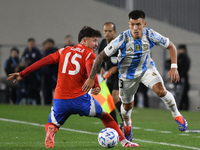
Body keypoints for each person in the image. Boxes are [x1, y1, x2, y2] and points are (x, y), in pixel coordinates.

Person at [7, 26, 139, 148]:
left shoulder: (63, 50)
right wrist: (95, 84)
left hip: (60, 100)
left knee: (51, 124)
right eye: (93, 41)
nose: (96, 44)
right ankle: (124, 142)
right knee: (106, 117)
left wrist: (23, 73)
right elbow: (90, 71)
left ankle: (51, 131)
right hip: (81, 100)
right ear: (84, 41)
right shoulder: (89, 54)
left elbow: (43, 61)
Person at [82, 10, 188, 142]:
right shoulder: (122, 38)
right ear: (129, 24)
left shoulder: (150, 34)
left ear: (144, 23)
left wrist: (174, 67)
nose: (135, 28)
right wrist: (91, 78)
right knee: (127, 107)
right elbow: (101, 56)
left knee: (161, 91)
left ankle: (177, 115)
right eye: (132, 24)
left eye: (138, 24)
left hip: (146, 69)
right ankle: (127, 124)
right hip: (127, 75)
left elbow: (171, 46)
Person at [98, 22, 123, 125]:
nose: (107, 33)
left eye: (110, 31)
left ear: (115, 32)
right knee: (107, 99)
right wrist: (102, 67)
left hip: (120, 74)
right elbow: (100, 57)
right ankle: (114, 124)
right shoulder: (103, 43)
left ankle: (126, 121)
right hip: (109, 75)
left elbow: (126, 60)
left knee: (115, 97)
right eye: (105, 31)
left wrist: (116, 68)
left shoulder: (120, 43)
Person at [21, 38, 42, 104]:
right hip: (28, 74)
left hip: (35, 74)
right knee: (28, 88)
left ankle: (38, 103)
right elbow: (22, 59)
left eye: (32, 43)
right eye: (30, 43)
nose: (31, 45)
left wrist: (31, 62)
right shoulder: (26, 51)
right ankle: (28, 102)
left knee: (36, 89)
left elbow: (40, 61)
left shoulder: (37, 51)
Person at [41, 38, 58, 105]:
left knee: (55, 90)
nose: (47, 45)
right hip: (46, 75)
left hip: (53, 74)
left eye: (48, 43)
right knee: (46, 91)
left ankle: (56, 104)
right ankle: (46, 104)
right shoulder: (44, 52)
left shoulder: (54, 51)